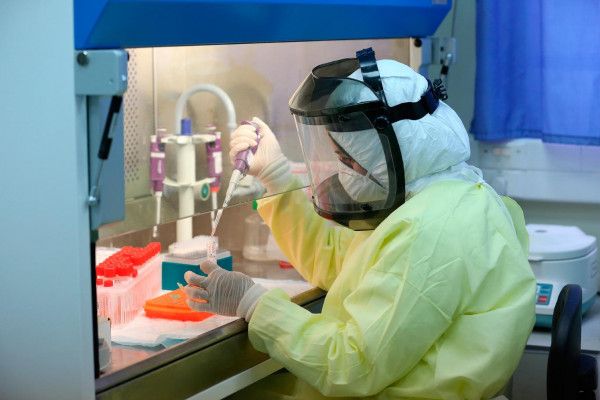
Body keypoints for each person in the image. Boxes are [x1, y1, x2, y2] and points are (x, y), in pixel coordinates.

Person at [184, 48, 536, 399]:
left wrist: (254, 304)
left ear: (391, 154)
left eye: (349, 160)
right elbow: (341, 263)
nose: (343, 173)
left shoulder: (431, 228)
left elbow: (351, 365)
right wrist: (276, 176)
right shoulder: (441, 196)